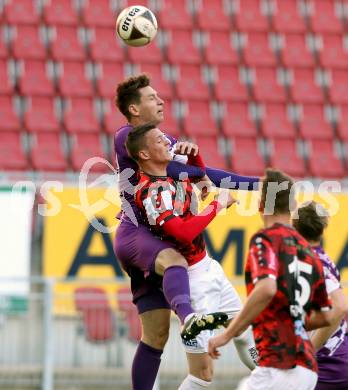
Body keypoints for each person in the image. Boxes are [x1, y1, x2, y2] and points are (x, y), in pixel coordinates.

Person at [113, 74, 260, 390]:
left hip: (160, 239)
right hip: (140, 234)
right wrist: (211, 191)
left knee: (155, 336)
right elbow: (183, 172)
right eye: (152, 97)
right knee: (175, 260)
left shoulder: (160, 139)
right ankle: (191, 317)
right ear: (134, 109)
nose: (161, 100)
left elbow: (199, 172)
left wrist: (254, 183)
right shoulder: (129, 136)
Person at [208, 168, 333, 390]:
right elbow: (325, 316)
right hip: (307, 369)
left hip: (277, 365)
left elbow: (266, 288)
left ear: (260, 205)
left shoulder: (265, 240)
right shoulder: (308, 250)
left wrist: (227, 335)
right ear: (293, 206)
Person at [293, 201, 348, 390]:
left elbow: (340, 307)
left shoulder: (311, 262)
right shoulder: (321, 258)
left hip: (328, 364)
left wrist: (309, 350)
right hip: (337, 358)